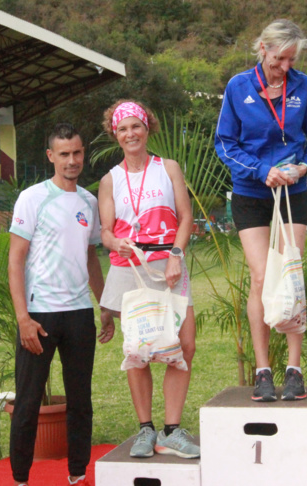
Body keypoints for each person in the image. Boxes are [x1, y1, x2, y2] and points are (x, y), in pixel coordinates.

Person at [215, 19, 307, 402]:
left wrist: (303, 167)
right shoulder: (238, 87)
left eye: (291, 60)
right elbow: (225, 144)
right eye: (280, 59)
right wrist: (262, 171)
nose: (285, 67)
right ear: (262, 48)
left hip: (293, 192)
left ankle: (294, 369)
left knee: (291, 272)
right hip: (252, 191)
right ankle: (263, 370)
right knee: (262, 277)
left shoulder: (304, 85)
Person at [7, 123, 115, 486]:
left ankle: (77, 475)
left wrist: (105, 306)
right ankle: (21, 479)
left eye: (78, 152)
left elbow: (90, 259)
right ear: (51, 156)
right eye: (64, 154)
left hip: (80, 315)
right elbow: (15, 261)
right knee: (27, 402)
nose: (73, 160)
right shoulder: (32, 198)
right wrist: (23, 318)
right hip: (40, 315)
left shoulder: (88, 201)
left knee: (80, 402)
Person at [98, 100, 200, 459]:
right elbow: (106, 232)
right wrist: (116, 243)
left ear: (147, 128)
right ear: (116, 134)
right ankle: (145, 429)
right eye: (123, 129)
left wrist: (176, 254)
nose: (130, 134)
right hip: (130, 268)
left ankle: (172, 430)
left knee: (183, 345)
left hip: (169, 265)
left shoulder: (167, 168)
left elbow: (185, 217)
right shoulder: (110, 179)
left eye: (136, 127)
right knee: (139, 351)